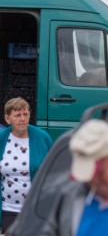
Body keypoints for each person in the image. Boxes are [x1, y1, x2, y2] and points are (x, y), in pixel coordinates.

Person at [0, 98, 52, 233]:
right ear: (7, 118)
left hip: (35, 208)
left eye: (26, 114)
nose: (23, 119)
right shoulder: (1, 138)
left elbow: (53, 171)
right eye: (17, 115)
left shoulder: (42, 137)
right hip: (8, 208)